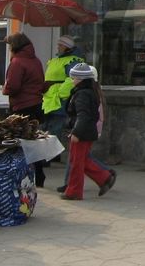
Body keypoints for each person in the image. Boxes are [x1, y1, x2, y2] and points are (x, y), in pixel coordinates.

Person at [61, 63, 116, 201]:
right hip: (87, 131)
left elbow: (83, 115)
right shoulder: (89, 92)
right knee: (82, 160)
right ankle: (104, 178)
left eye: (74, 78)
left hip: (82, 133)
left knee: (76, 162)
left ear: (81, 79)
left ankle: (74, 191)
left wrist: (76, 133)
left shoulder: (82, 94)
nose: (72, 80)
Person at [1, 32, 46, 187]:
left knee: (20, 144)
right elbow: (41, 82)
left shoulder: (17, 62)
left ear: (14, 46)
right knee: (33, 142)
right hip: (36, 105)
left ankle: (21, 175)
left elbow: (13, 86)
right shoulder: (36, 61)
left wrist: (5, 89)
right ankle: (39, 175)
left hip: (21, 107)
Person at [42, 35, 84, 137]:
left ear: (66, 47)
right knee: (46, 135)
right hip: (49, 101)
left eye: (60, 45)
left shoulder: (72, 61)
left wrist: (61, 94)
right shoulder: (56, 60)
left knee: (54, 134)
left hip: (59, 102)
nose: (58, 47)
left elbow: (73, 78)